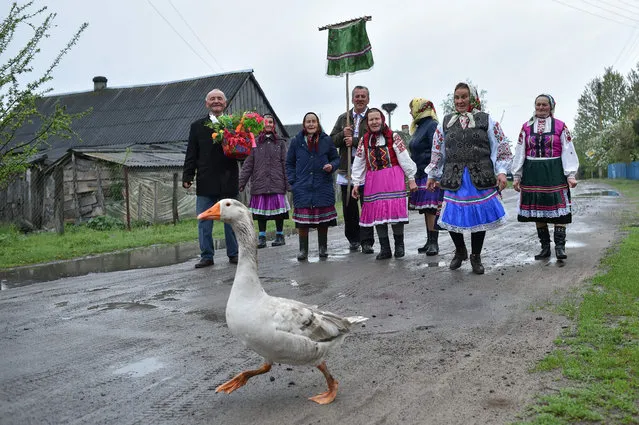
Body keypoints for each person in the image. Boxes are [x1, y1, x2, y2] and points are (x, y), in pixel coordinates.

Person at [425, 82, 512, 274]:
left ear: (472, 98)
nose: (460, 101)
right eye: (457, 97)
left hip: (479, 175)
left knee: (477, 216)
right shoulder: (445, 122)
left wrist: (502, 171)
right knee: (451, 216)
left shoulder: (486, 120)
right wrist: (432, 174)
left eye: (464, 97)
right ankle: (460, 250)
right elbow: (437, 149)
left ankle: (476, 256)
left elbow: (501, 147)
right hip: (453, 176)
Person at [512, 94, 579, 260]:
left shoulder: (560, 126)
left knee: (559, 209)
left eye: (544, 105)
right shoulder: (526, 127)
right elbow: (520, 151)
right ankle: (545, 248)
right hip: (532, 172)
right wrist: (516, 175)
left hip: (554, 171)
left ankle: (560, 248)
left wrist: (570, 174)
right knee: (538, 210)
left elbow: (568, 149)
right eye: (538, 105)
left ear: (551, 107)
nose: (541, 108)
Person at [182, 88, 239, 268]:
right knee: (204, 220)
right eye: (212, 99)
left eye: (219, 99)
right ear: (207, 103)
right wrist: (188, 175)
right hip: (206, 180)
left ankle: (234, 253)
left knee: (231, 220)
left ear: (225, 103)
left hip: (228, 179)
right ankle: (207, 256)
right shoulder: (197, 126)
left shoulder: (233, 125)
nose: (216, 101)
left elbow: (243, 151)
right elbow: (191, 153)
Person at [351, 108, 418, 260]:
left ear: (382, 120)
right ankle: (385, 248)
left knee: (394, 212)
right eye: (371, 120)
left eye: (377, 119)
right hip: (373, 180)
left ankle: (399, 246)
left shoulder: (393, 137)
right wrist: (356, 183)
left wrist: (411, 178)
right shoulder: (364, 140)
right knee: (377, 214)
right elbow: (359, 162)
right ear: (367, 122)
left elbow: (404, 157)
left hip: (392, 177)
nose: (374, 122)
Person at [286, 112, 340, 261]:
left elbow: (336, 158)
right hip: (302, 186)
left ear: (317, 124)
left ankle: (323, 248)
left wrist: (332, 165)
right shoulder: (296, 141)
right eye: (308, 122)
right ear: (304, 124)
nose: (311, 124)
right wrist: (293, 181)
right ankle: (303, 250)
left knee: (323, 220)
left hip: (322, 185)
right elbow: (289, 163)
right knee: (303, 222)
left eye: (313, 121)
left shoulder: (326, 140)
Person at [330, 85, 376, 254]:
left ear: (368, 99)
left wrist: (355, 141)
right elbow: (332, 140)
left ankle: (367, 241)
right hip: (346, 168)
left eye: (363, 96)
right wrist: (343, 134)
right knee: (349, 207)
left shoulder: (373, 117)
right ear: (352, 98)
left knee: (367, 206)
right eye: (357, 96)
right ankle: (353, 239)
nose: (360, 99)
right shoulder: (344, 118)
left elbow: (375, 138)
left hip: (367, 169)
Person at [238, 114, 290, 248]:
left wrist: (289, 183)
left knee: (279, 211)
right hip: (259, 182)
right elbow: (248, 164)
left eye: (271, 122)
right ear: (261, 124)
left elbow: (286, 164)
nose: (268, 124)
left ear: (274, 125)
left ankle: (280, 235)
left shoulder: (280, 142)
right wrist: (241, 183)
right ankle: (261, 237)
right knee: (260, 212)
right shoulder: (254, 143)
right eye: (265, 122)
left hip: (277, 182)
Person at [407, 98, 443, 255]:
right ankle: (429, 240)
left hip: (430, 173)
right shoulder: (420, 126)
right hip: (420, 172)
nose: (410, 112)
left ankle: (434, 243)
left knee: (431, 208)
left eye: (412, 108)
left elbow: (437, 149)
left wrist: (435, 173)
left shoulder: (431, 125)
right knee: (426, 209)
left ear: (420, 108)